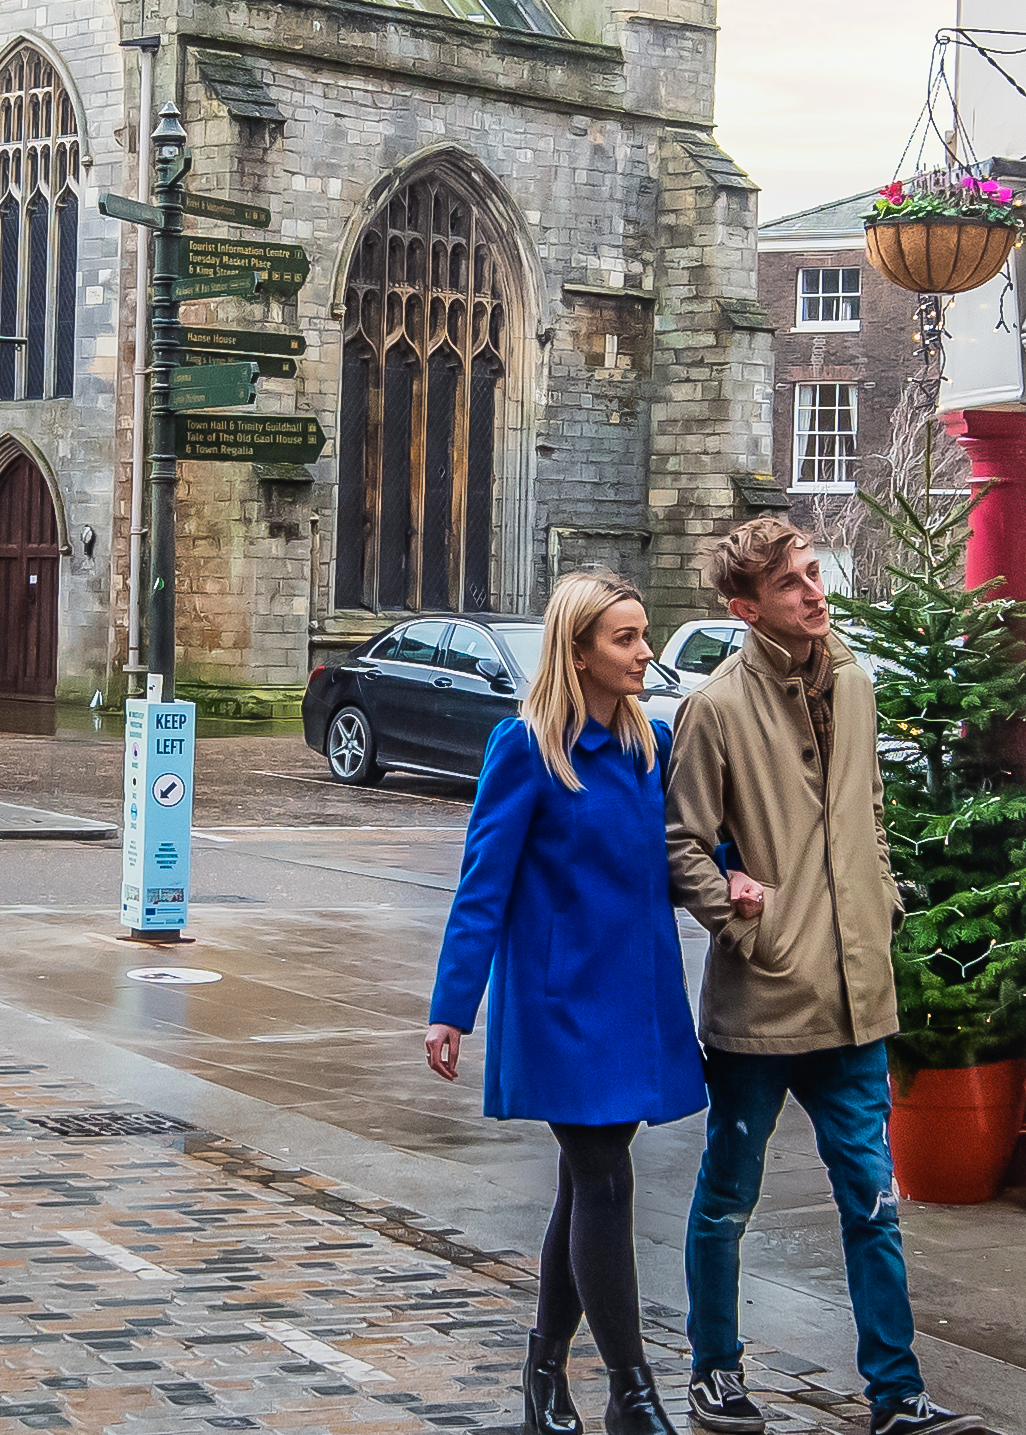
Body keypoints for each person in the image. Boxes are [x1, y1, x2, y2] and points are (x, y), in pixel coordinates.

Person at [660, 514, 987, 1435]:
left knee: (874, 1204)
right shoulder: (716, 706)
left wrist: (880, 900)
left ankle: (896, 1393)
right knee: (727, 1196)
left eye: (814, 572)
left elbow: (868, 814)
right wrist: (735, 909)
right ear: (746, 606)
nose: (814, 591)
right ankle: (715, 1371)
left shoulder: (854, 679)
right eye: (793, 582)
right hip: (762, 1002)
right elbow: (679, 841)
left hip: (856, 1001)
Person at [427, 571, 711, 1435]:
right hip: (562, 1003)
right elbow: (483, 886)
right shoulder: (525, 749)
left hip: (636, 995)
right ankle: (633, 1392)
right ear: (577, 648)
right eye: (626, 637)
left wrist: (730, 873)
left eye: (643, 634)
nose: (644, 651)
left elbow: (682, 849)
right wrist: (452, 1005)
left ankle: (543, 1378)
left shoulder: (647, 746)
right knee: (604, 1180)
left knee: (585, 1185)